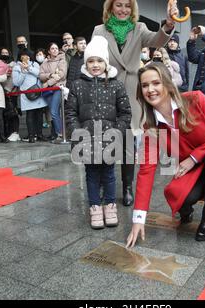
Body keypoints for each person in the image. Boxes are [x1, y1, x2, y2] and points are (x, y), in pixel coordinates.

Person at [126, 63, 205, 248]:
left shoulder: (195, 100)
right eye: (144, 85)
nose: (150, 89)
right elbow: (146, 170)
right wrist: (138, 219)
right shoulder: (150, 127)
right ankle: (187, 209)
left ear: (167, 84)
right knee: (178, 195)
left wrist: (193, 158)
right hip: (194, 170)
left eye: (156, 83)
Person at [92, 0, 179, 207]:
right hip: (106, 90)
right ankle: (105, 182)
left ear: (132, 10)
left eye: (127, 6)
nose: (123, 9)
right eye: (119, 5)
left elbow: (157, 40)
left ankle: (127, 186)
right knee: (106, 140)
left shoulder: (139, 28)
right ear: (110, 7)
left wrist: (168, 24)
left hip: (132, 92)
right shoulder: (99, 30)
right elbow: (94, 60)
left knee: (129, 143)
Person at [65, 36, 132, 229]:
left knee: (109, 174)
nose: (95, 65)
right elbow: (70, 112)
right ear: (85, 62)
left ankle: (110, 206)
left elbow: (125, 113)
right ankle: (95, 207)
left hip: (110, 139)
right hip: (85, 139)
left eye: (99, 61)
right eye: (91, 61)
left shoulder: (116, 85)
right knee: (92, 174)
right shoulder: (77, 85)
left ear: (106, 62)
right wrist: (78, 133)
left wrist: (116, 132)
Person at [13, 50, 48, 143]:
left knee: (40, 114)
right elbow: (16, 82)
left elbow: (40, 75)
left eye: (27, 55)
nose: (26, 57)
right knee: (30, 114)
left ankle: (40, 134)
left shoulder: (35, 64)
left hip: (37, 92)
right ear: (20, 57)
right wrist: (23, 72)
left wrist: (29, 68)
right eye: (23, 55)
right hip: (27, 94)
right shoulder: (16, 67)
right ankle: (31, 135)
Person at [39, 43, 67, 143]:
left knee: (54, 111)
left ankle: (60, 135)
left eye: (56, 48)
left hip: (58, 88)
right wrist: (50, 75)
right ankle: (60, 134)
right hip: (48, 91)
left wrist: (48, 83)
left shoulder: (62, 60)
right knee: (53, 112)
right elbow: (41, 75)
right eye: (52, 48)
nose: (55, 50)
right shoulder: (44, 63)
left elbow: (61, 75)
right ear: (49, 51)